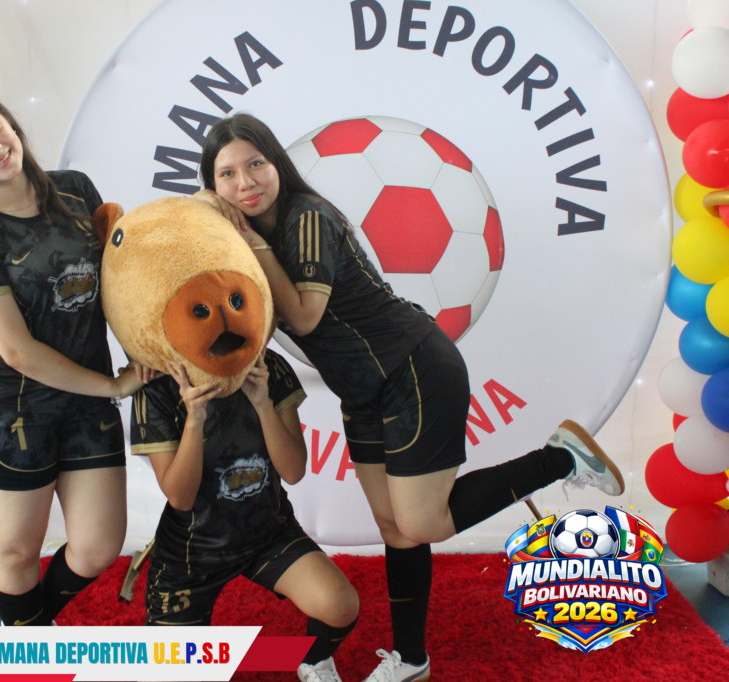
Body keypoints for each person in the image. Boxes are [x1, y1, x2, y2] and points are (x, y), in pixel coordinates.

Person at [195, 113, 625, 682]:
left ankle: (561, 458)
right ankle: (411, 659)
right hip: (362, 391)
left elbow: (304, 315)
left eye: (255, 164)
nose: (245, 182)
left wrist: (249, 240)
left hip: (413, 367)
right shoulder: (252, 239)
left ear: (277, 163)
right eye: (227, 174)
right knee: (394, 528)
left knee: (423, 523)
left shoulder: (306, 218)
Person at [0, 91, 149, 628]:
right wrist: (113, 387)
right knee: (18, 552)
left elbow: (120, 283)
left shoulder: (76, 190)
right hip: (16, 411)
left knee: (97, 547)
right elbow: (17, 350)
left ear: (11, 124)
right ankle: (28, 642)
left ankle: (29, 629)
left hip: (85, 405)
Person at [133, 351, 359, 682]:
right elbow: (180, 498)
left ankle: (313, 661)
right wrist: (194, 420)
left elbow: (294, 471)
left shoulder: (267, 366)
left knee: (339, 604)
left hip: (267, 532)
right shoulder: (159, 384)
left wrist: (263, 404)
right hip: (192, 552)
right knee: (171, 672)